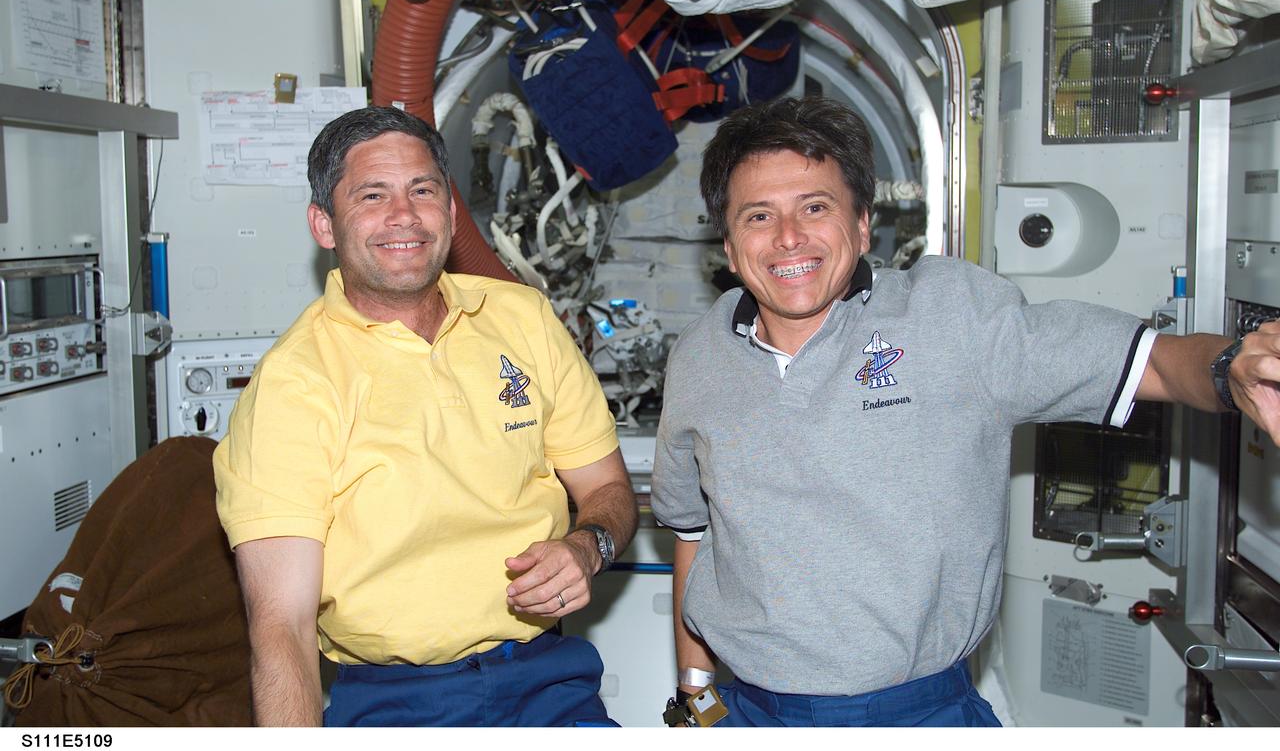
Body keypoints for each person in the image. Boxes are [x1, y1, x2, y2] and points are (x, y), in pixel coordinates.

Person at [651, 96, 1280, 727]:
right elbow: (693, 532)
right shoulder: (701, 357)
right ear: (729, 245)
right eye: (759, 216)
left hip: (920, 714)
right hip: (751, 712)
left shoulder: (950, 320)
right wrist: (696, 702)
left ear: (863, 225)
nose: (789, 237)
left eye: (815, 207)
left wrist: (1230, 367)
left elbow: (1154, 363)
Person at [212, 106, 638, 727]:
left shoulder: (523, 319)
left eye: (422, 190)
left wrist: (587, 545)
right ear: (324, 224)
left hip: (552, 678)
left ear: (451, 212)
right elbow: (282, 626)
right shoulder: (293, 384)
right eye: (372, 195)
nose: (404, 215)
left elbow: (607, 489)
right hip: (402, 701)